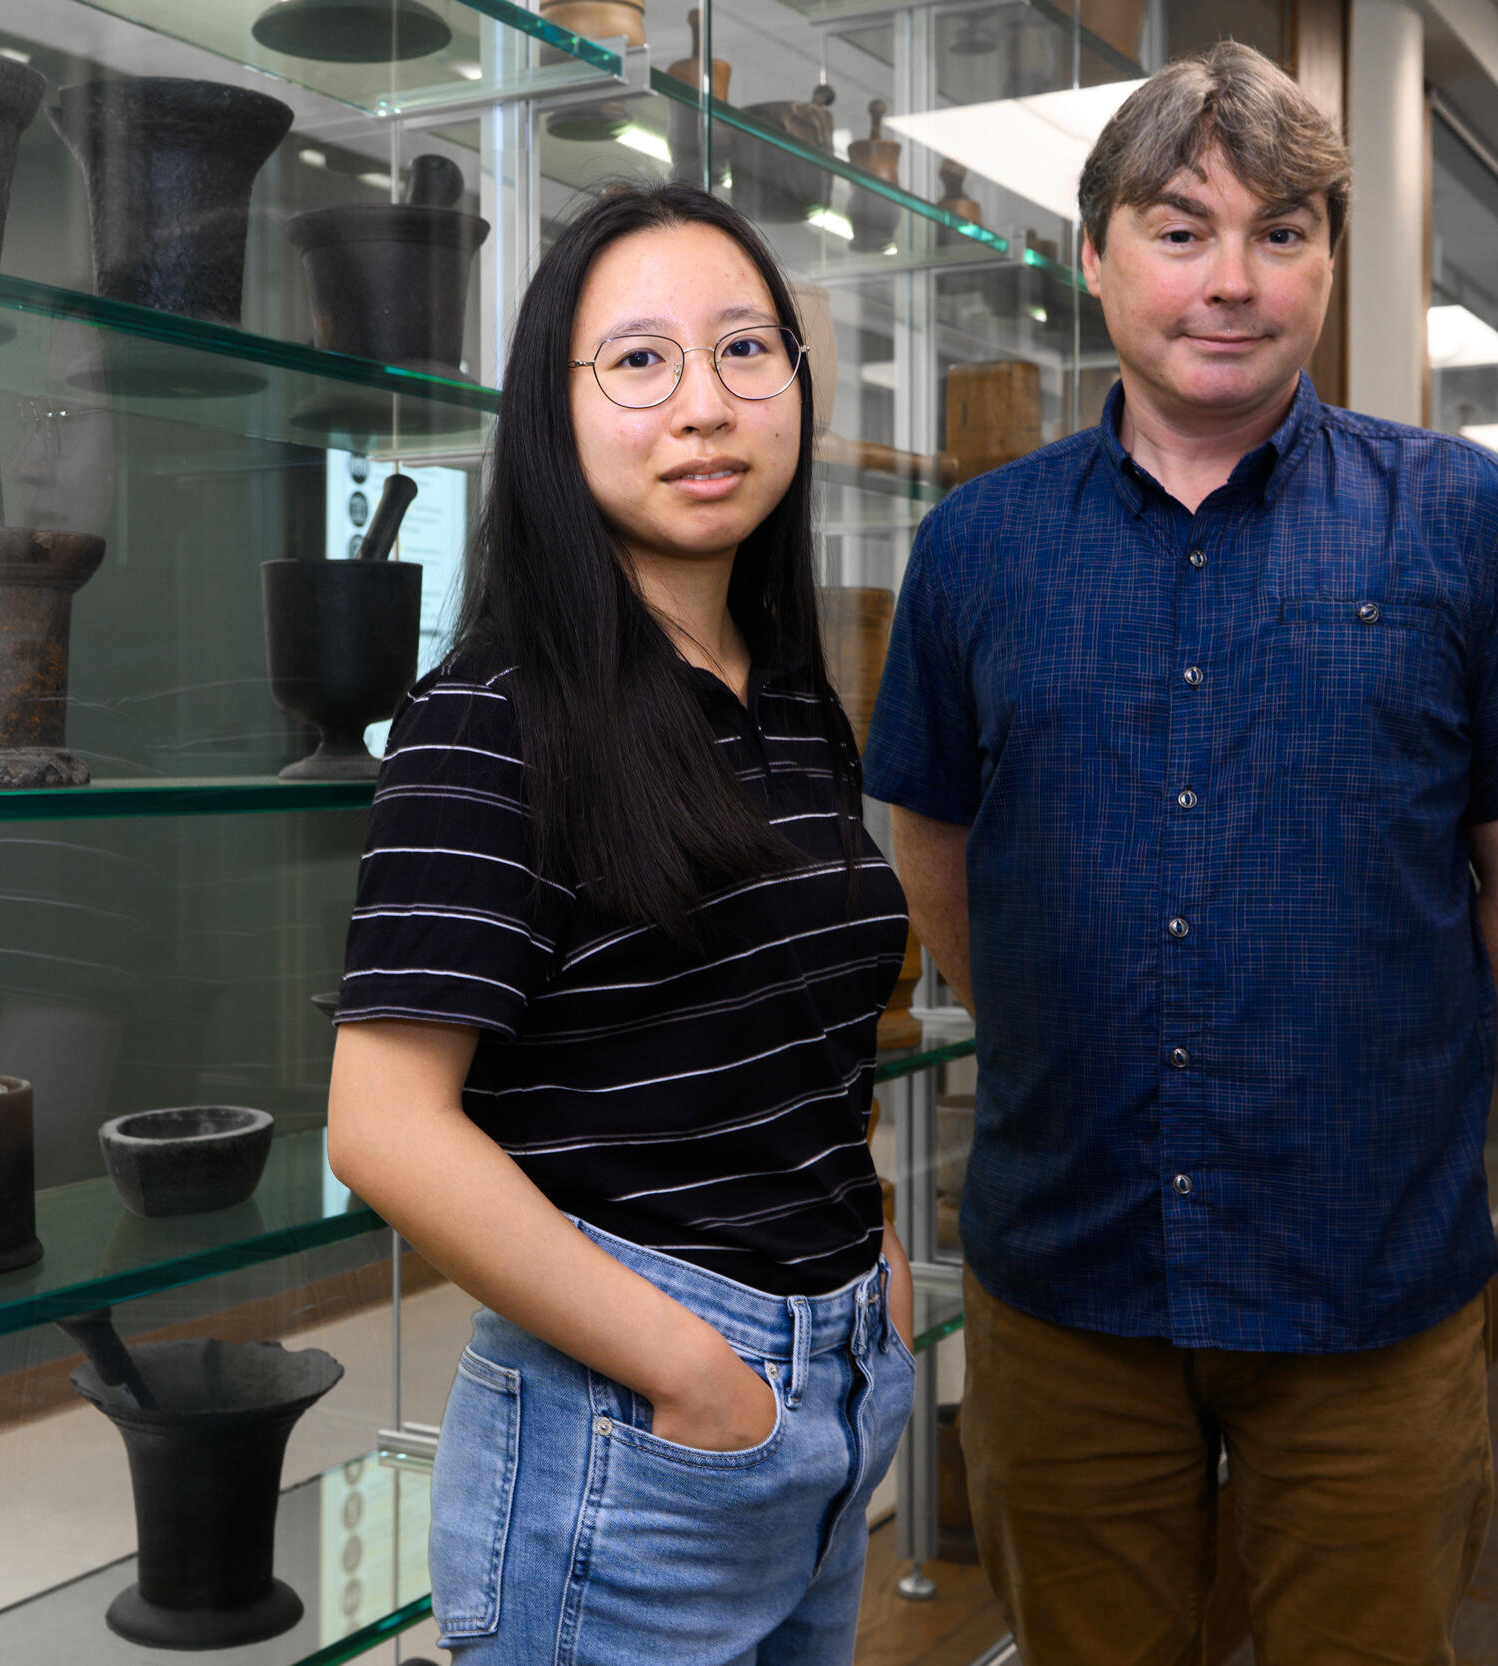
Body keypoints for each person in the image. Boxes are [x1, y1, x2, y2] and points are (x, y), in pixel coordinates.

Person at [864, 42, 1498, 1666]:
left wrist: (1379, 1058)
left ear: (1330, 262)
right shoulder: (979, 549)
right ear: (1095, 256)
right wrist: (1082, 1034)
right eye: (1179, 227)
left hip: (1366, 1281)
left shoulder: (1467, 523)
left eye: (1281, 232)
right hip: (1065, 1285)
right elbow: (936, 847)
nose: (1232, 280)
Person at [326, 182, 915, 1666]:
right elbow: (383, 1124)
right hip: (636, 1436)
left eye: (743, 351)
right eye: (640, 361)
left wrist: (878, 1255)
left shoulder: (784, 691)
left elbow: (809, 1029)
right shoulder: (491, 714)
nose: (704, 406)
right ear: (556, 410)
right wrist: (695, 1372)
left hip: (829, 1392)